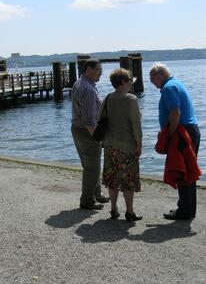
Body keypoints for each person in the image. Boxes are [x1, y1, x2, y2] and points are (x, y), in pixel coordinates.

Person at [150, 63, 201, 220]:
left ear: (160, 75)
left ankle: (184, 210)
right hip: (190, 131)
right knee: (188, 170)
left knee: (181, 170)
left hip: (182, 133)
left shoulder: (169, 88)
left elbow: (175, 112)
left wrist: (170, 134)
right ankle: (188, 209)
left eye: (153, 81)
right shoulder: (177, 83)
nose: (154, 85)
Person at [101, 68, 142, 221]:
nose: (131, 84)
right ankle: (130, 212)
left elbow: (101, 118)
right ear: (124, 82)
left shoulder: (108, 98)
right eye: (130, 81)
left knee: (112, 178)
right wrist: (139, 143)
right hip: (126, 146)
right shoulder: (131, 99)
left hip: (110, 145)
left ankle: (113, 209)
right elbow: (136, 125)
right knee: (128, 180)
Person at [71, 58, 109, 210]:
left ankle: (96, 194)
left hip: (77, 129)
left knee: (90, 165)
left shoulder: (80, 83)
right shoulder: (87, 89)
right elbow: (89, 120)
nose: (101, 73)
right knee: (92, 167)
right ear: (89, 70)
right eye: (99, 70)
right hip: (86, 132)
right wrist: (99, 137)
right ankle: (87, 200)